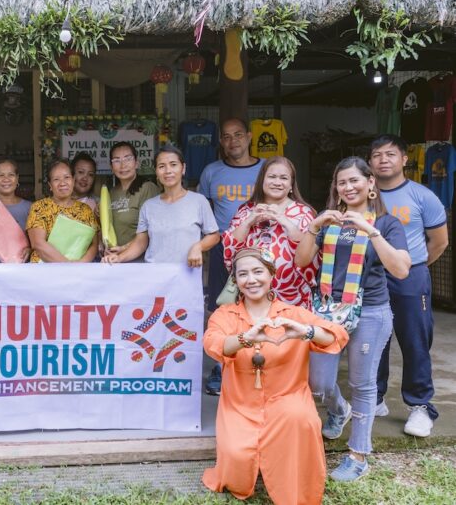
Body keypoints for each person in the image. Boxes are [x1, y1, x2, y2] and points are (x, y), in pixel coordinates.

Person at [202, 248, 348, 505]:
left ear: (271, 275)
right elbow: (212, 344)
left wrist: (306, 332)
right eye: (243, 274)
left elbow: (336, 335)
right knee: (237, 458)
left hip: (287, 398)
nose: (251, 280)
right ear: (235, 280)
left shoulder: (292, 314)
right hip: (240, 404)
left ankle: (296, 485)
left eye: (258, 272)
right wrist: (245, 339)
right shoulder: (225, 314)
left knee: (301, 419)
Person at [296, 156, 410, 482]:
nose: (348, 187)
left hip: (371, 311)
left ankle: (358, 455)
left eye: (354, 180)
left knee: (362, 384)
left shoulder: (386, 224)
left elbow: (401, 269)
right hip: (329, 311)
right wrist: (314, 226)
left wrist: (370, 231)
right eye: (341, 182)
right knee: (317, 381)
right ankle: (339, 409)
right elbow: (302, 260)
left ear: (370, 183)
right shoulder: (330, 221)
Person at [370, 135, 449, 437]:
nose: (383, 160)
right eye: (377, 155)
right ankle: (374, 397)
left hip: (410, 275)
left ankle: (420, 405)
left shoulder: (422, 196)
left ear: (404, 159)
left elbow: (439, 242)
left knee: (415, 339)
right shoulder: (364, 194)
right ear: (370, 162)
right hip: (371, 276)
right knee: (373, 337)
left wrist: (412, 268)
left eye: (391, 154)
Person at [198, 118, 264, 395]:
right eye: (226, 136)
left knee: (258, 306)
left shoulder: (265, 169)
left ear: (249, 137)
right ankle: (220, 366)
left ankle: (257, 364)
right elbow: (202, 211)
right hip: (222, 247)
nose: (232, 141)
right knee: (221, 307)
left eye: (238, 135)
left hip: (259, 249)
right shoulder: (211, 172)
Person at [223, 156, 318, 309]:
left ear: (291, 184)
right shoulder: (246, 210)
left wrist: (283, 220)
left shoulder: (303, 213)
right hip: (250, 297)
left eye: (283, 178)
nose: (277, 182)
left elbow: (308, 256)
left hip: (292, 299)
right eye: (272, 176)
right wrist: (249, 221)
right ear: (262, 180)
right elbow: (230, 252)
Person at [102, 146, 219, 267]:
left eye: (173, 164)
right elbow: (141, 242)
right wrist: (119, 258)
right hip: (154, 273)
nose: (168, 171)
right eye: (162, 166)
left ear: (183, 168)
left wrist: (198, 247)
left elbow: (214, 236)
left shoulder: (199, 201)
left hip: (187, 273)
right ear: (156, 172)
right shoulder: (148, 206)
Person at [26, 159, 99, 263]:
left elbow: (94, 244)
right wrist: (67, 265)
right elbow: (38, 244)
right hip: (43, 268)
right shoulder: (39, 207)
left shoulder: (85, 210)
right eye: (56, 179)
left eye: (67, 177)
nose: (62, 183)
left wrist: (80, 265)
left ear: (73, 181)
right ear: (50, 185)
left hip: (78, 269)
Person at [106, 142, 160, 250]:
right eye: (117, 160)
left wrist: (123, 249)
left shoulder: (147, 188)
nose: (123, 165)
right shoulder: (111, 193)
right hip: (114, 256)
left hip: (140, 257)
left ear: (136, 163)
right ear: (111, 167)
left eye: (128, 159)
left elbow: (152, 231)